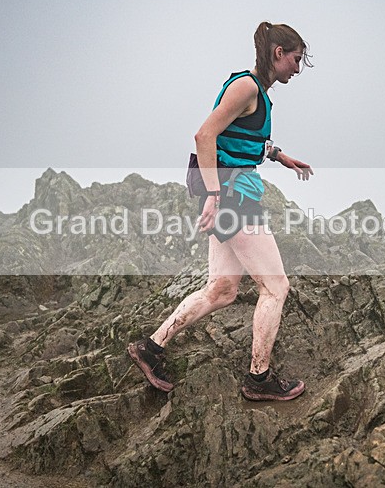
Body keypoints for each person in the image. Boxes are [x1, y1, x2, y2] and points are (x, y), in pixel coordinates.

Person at [128, 22, 314, 401]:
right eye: (296, 59)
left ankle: (151, 347)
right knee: (276, 287)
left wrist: (279, 156)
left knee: (222, 290)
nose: (298, 68)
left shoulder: (255, 91)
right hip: (231, 197)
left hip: (230, 193)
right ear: (278, 53)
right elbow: (205, 135)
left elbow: (240, 138)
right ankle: (258, 380)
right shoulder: (247, 86)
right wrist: (214, 194)